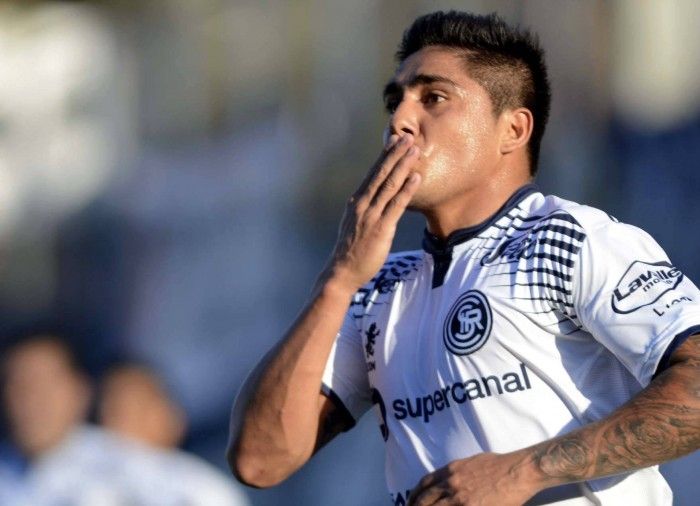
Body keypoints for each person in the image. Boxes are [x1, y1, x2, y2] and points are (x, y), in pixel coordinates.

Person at [227, 11, 700, 506]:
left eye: (433, 98)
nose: (399, 121)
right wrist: (338, 279)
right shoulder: (378, 289)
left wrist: (523, 472)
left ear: (513, 129)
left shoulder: (568, 239)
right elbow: (259, 459)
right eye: (395, 101)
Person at [0, 334, 249, 506]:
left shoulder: (137, 473)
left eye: (44, 384)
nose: (31, 400)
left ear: (79, 391)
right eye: (18, 385)